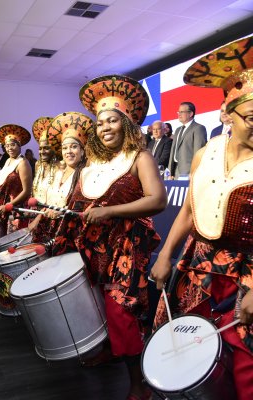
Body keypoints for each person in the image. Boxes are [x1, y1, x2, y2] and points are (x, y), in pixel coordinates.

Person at [151, 35, 253, 400]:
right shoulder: (205, 153)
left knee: (246, 367)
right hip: (198, 267)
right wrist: (166, 255)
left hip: (247, 274)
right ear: (228, 112)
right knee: (191, 353)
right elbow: (190, 209)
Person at [53, 75, 167, 400]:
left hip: (127, 246)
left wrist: (109, 212)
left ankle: (137, 384)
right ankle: (108, 351)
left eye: (112, 120)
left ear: (127, 124)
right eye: (100, 122)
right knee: (98, 306)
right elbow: (78, 203)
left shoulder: (139, 157)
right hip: (93, 247)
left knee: (121, 310)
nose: (104, 127)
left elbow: (157, 200)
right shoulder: (92, 164)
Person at [29, 112, 92, 244]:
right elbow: (49, 205)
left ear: (82, 150)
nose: (68, 151)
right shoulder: (58, 173)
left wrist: (61, 212)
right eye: (65, 148)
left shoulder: (86, 174)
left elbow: (88, 209)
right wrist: (38, 218)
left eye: (74, 147)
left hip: (71, 237)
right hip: (49, 232)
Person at [0, 124, 33, 234]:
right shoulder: (8, 161)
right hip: (4, 209)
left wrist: (8, 205)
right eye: (7, 146)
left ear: (19, 145)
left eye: (13, 145)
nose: (9, 148)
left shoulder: (23, 163)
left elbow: (27, 191)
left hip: (16, 212)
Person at [168, 101, 207, 179]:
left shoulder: (198, 128)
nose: (179, 114)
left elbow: (198, 153)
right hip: (175, 172)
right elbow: (173, 152)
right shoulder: (178, 130)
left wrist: (193, 172)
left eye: (182, 112)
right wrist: (170, 172)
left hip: (189, 172)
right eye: (178, 112)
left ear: (191, 114)